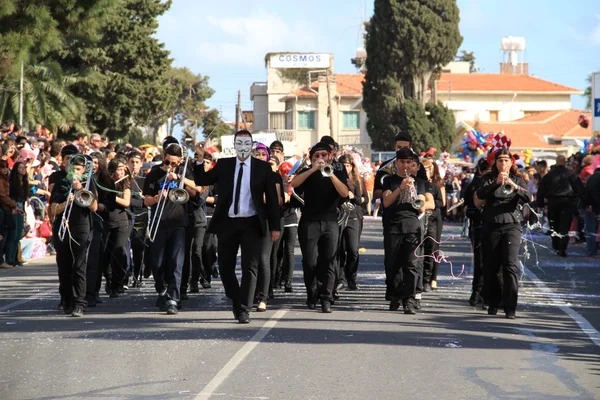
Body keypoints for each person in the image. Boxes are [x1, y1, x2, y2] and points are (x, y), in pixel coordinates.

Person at [194, 130, 280, 324]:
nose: (243, 148)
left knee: (251, 267)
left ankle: (244, 308)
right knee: (225, 267)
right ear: (234, 145)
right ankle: (237, 298)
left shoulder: (262, 168)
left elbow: (273, 200)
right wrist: (199, 158)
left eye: (246, 144)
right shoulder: (224, 164)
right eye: (239, 144)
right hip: (228, 222)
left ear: (251, 145)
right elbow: (201, 181)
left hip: (251, 222)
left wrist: (275, 226)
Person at [291, 141, 349, 313]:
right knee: (309, 261)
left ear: (330, 156)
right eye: (317, 155)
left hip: (330, 221)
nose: (320, 158)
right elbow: (294, 184)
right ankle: (312, 293)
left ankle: (326, 297)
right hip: (309, 221)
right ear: (312, 158)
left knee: (329, 260)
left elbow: (344, 193)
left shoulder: (337, 170)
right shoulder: (306, 171)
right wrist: (312, 170)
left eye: (324, 155)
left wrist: (330, 174)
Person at [143, 139, 197, 315]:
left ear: (179, 161)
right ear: (163, 157)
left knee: (176, 262)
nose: (170, 166)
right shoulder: (154, 174)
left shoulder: (183, 171)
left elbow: (197, 190)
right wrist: (158, 197)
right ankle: (162, 289)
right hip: (159, 221)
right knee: (156, 262)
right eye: (167, 162)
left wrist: (180, 178)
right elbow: (146, 200)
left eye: (174, 163)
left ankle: (173, 298)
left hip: (178, 223)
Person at [475, 148, 530, 319]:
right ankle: (493, 302)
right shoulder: (487, 179)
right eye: (500, 160)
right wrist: (496, 183)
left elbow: (529, 197)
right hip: (491, 224)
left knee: (510, 265)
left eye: (506, 160)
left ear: (511, 163)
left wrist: (513, 186)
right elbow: (479, 196)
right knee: (491, 266)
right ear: (495, 163)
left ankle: (510, 306)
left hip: (512, 225)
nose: (503, 163)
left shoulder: (518, 179)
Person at [382, 148, 434, 314]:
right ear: (396, 163)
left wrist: (415, 196)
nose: (405, 165)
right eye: (402, 162)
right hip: (393, 226)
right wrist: (401, 189)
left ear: (413, 164)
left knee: (412, 264)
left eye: (408, 162)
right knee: (392, 264)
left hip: (412, 226)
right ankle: (395, 295)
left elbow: (421, 206)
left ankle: (409, 300)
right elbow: (386, 202)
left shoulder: (419, 182)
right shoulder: (389, 181)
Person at [49, 148, 98, 317]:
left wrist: (80, 190)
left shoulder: (89, 183)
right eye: (72, 168)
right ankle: (66, 300)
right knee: (64, 266)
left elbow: (94, 207)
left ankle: (79, 303)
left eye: (78, 169)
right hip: (63, 225)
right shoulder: (61, 183)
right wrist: (66, 203)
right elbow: (52, 211)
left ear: (83, 170)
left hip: (82, 226)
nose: (75, 172)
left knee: (79, 266)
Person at [537, 155, 585, 257]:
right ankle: (562, 247)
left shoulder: (549, 175)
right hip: (567, 202)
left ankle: (556, 245)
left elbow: (541, 190)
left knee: (554, 224)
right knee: (564, 225)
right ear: (564, 162)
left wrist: (540, 203)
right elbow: (580, 189)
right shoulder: (571, 175)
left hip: (553, 202)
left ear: (557, 161)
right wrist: (582, 202)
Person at [463, 158, 490, 308]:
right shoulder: (475, 185)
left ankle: (486, 293)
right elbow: (468, 209)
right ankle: (477, 292)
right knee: (480, 262)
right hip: (479, 227)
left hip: (494, 225)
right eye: (486, 172)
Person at [105, 158, 132, 298]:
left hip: (121, 222)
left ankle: (117, 283)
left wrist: (112, 197)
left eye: (123, 169)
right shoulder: (105, 183)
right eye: (119, 169)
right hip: (106, 221)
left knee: (118, 251)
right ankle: (108, 279)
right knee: (105, 255)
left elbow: (126, 202)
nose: (121, 172)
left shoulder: (125, 184)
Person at [338, 154, 363, 290]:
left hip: (353, 216)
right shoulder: (336, 178)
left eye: (348, 165)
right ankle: (340, 278)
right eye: (343, 165)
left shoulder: (356, 180)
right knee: (340, 249)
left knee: (353, 250)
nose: (346, 168)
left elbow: (362, 199)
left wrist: (353, 196)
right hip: (340, 216)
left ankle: (351, 275)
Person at [421, 158, 445, 292]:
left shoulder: (437, 184)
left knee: (433, 248)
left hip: (434, 218)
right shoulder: (419, 183)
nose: (426, 171)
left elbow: (441, 203)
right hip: (420, 217)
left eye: (428, 168)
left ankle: (431, 278)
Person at [127, 150, 148, 286]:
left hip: (141, 216)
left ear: (141, 164)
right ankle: (126, 275)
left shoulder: (145, 181)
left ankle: (137, 276)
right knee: (124, 246)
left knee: (138, 246)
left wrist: (138, 199)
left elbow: (147, 200)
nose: (134, 165)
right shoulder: (124, 179)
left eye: (137, 162)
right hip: (126, 215)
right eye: (132, 162)